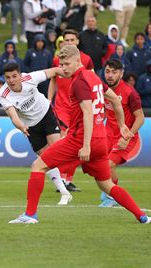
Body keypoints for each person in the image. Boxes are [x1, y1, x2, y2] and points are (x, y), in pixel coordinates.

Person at [8, 45, 151, 225]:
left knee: (38, 166)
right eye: (61, 64)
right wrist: (122, 124)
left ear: (78, 61)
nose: (63, 68)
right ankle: (142, 216)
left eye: (67, 64)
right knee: (107, 185)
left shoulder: (79, 82)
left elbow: (87, 112)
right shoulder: (94, 77)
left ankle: (30, 215)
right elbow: (115, 99)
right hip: (101, 141)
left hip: (80, 139)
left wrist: (85, 145)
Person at [0, 62, 72, 205]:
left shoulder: (30, 78)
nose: (11, 80)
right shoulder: (3, 94)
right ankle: (64, 192)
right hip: (30, 127)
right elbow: (13, 116)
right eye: (8, 78)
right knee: (46, 159)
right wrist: (21, 127)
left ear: (20, 75)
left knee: (57, 151)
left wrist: (75, 76)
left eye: (14, 76)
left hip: (46, 114)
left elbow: (55, 70)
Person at [47, 29, 94, 191]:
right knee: (64, 140)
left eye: (72, 40)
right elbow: (53, 79)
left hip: (79, 107)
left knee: (75, 143)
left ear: (78, 42)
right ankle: (62, 179)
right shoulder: (56, 59)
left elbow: (92, 82)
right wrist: (48, 100)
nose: (68, 43)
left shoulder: (87, 60)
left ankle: (67, 179)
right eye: (66, 40)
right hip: (61, 107)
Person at [100, 59, 145, 207]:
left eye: (114, 72)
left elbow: (140, 117)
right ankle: (110, 190)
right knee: (100, 166)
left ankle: (112, 196)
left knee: (107, 165)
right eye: (107, 72)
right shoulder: (103, 89)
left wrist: (127, 137)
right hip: (107, 134)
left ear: (121, 73)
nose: (110, 75)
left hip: (125, 136)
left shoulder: (130, 93)